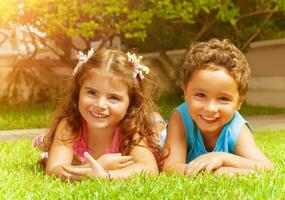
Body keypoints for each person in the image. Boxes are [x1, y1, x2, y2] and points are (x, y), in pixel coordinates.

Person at [33, 48, 164, 180]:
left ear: (131, 103)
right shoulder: (70, 126)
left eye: (113, 97)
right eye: (91, 93)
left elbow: (149, 168)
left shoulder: (132, 130)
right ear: (78, 92)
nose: (100, 104)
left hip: (151, 129)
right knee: (50, 147)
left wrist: (106, 176)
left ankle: (157, 125)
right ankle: (46, 141)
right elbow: (53, 169)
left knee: (154, 125)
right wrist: (95, 167)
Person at [162, 38, 273, 176]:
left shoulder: (236, 128)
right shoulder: (180, 118)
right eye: (200, 95)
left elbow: (266, 168)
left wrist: (222, 158)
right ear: (185, 93)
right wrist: (215, 173)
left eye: (223, 98)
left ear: (239, 102)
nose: (210, 108)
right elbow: (169, 168)